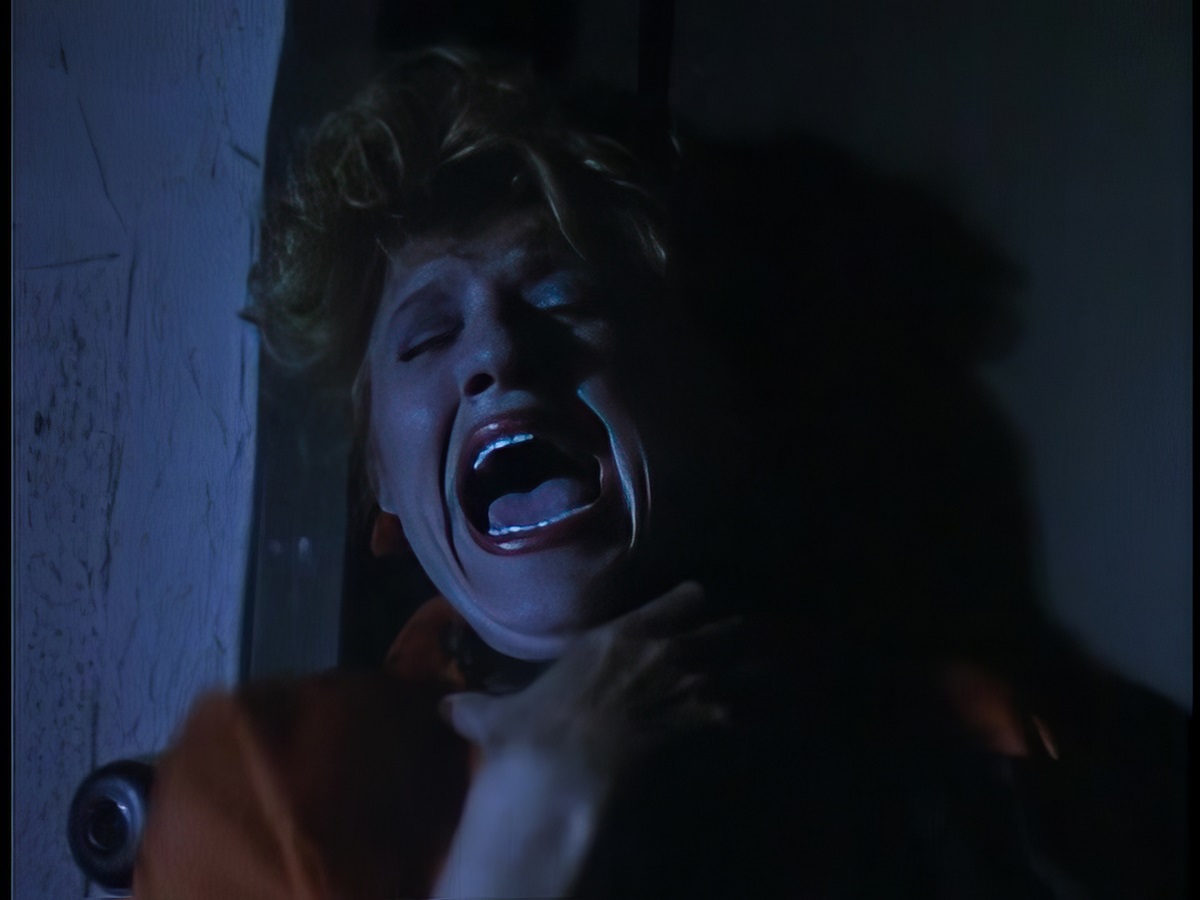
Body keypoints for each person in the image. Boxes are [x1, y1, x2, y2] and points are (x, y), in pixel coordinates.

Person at [132, 48, 1187, 899]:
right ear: (385, 493)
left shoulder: (973, 748)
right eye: (427, 336)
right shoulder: (276, 793)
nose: (497, 352)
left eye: (564, 300)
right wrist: (531, 822)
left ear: (708, 405)